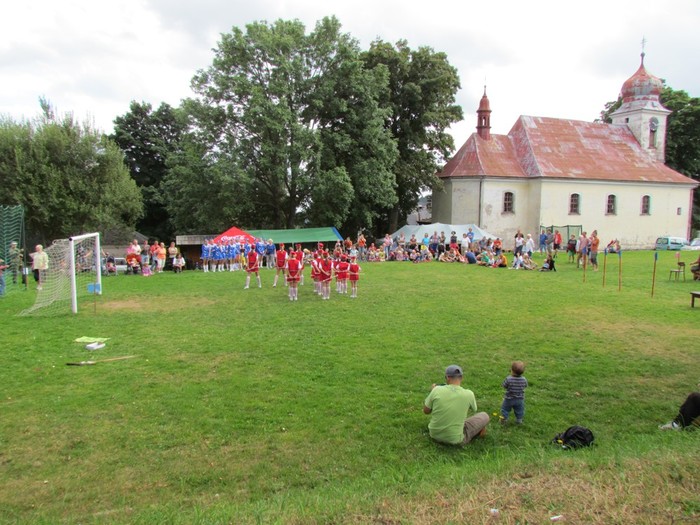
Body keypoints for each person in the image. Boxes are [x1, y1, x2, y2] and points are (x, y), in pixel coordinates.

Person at [423, 365, 489, 445]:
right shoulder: (469, 394)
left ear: (447, 377)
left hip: (434, 435)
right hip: (455, 440)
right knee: (484, 415)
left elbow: (426, 411)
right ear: (462, 378)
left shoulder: (436, 390)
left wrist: (432, 392)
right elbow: (474, 409)